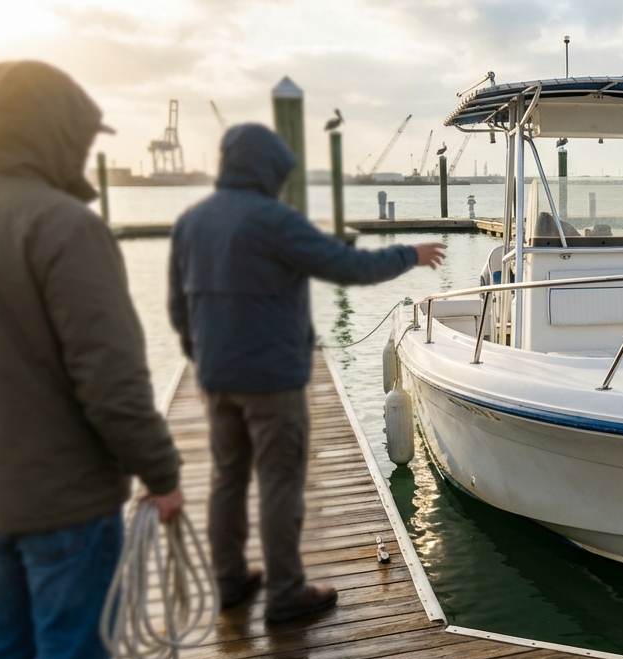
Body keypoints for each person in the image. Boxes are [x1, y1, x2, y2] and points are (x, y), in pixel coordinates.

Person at [0, 61, 184, 659]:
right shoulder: (66, 226)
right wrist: (161, 474)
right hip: (65, 500)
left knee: (1, 644)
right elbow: (113, 381)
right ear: (55, 131)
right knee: (72, 658)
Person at [169, 124, 444, 623]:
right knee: (279, 480)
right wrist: (409, 254)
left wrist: (201, 360)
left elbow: (177, 305)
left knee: (227, 478)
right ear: (268, 169)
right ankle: (285, 593)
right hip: (272, 379)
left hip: (217, 376)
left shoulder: (191, 222)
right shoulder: (276, 221)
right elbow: (346, 266)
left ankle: (228, 580)